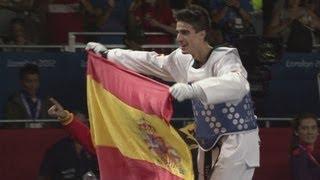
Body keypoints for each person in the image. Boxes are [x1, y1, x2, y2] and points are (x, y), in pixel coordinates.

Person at [85, 5, 260, 180]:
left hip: (238, 140)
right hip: (207, 141)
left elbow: (239, 84)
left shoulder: (225, 57)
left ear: (202, 34)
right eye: (178, 32)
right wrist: (109, 54)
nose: (178, 38)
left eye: (185, 32)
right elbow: (151, 62)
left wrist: (194, 89)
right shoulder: (182, 59)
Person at [3, 63, 51, 128]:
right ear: (22, 82)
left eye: (35, 81)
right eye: (29, 81)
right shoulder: (13, 102)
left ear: (39, 82)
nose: (32, 85)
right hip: (21, 136)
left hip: (44, 135)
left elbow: (54, 123)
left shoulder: (47, 101)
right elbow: (9, 125)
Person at [290, 113, 320, 180]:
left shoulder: (308, 152)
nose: (310, 132)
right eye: (305, 128)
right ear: (296, 132)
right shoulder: (298, 154)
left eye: (313, 128)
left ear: (318, 131)